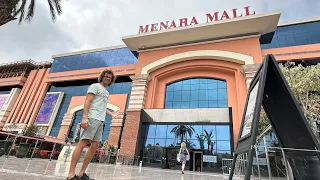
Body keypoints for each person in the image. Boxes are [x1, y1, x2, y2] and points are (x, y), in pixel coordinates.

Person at [66, 69, 119, 180]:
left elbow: (102, 107)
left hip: (100, 120)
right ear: (102, 77)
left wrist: (111, 114)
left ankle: (81, 173)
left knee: (95, 145)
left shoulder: (106, 92)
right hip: (92, 118)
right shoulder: (95, 86)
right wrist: (85, 117)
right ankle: (70, 175)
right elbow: (88, 101)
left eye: (110, 77)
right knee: (83, 143)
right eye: (106, 76)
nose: (108, 78)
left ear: (111, 80)